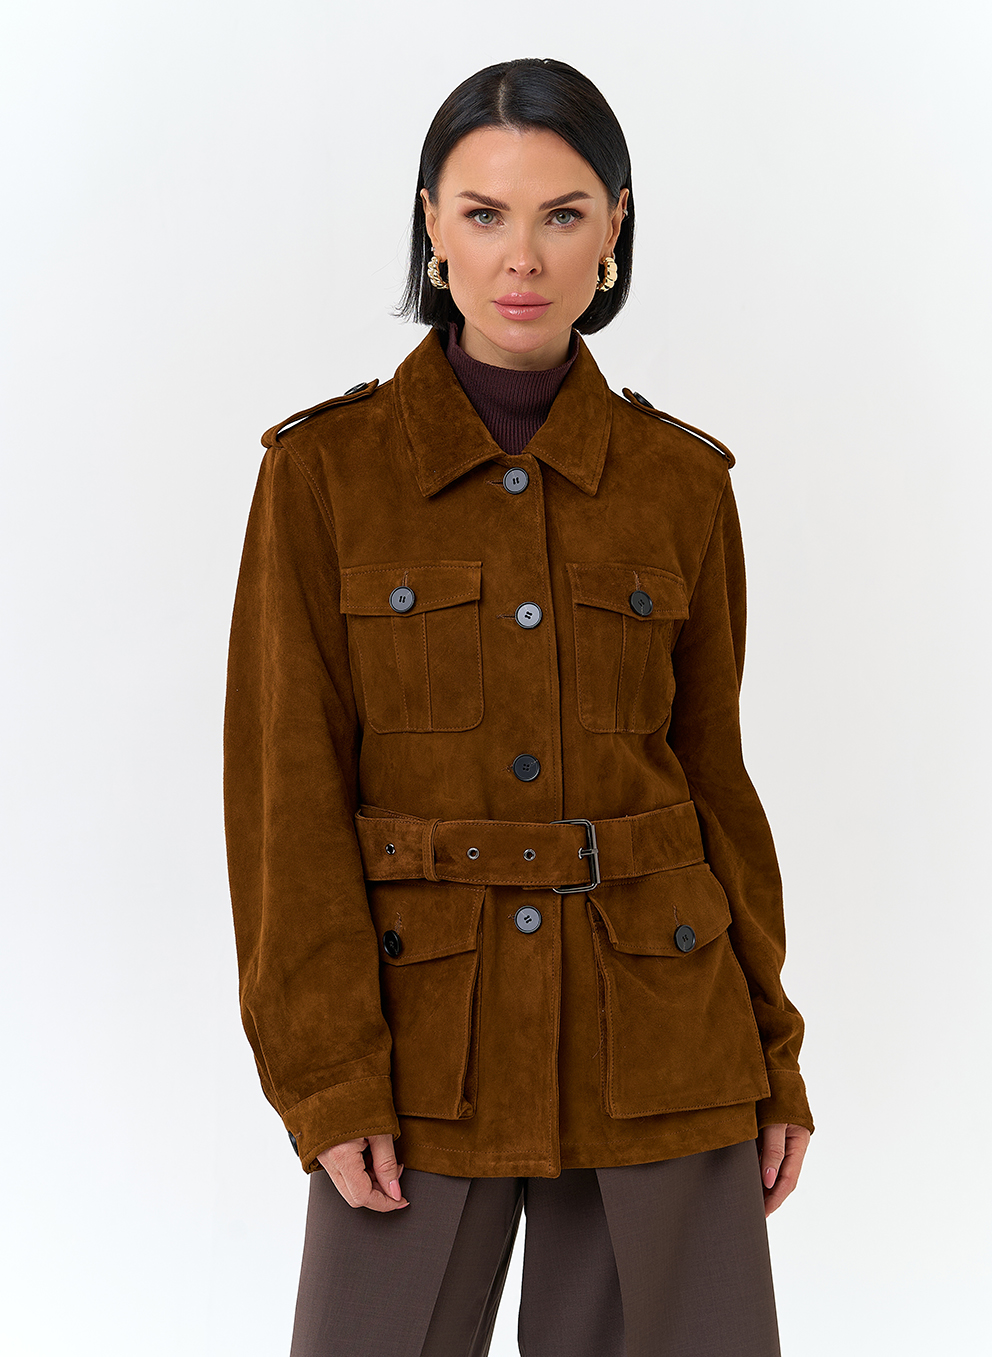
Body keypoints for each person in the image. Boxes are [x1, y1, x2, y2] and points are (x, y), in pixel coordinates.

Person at [224, 56, 813, 1357]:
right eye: (485, 213)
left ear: (615, 228)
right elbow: (285, 806)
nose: (523, 257)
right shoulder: (323, 476)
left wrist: (773, 1053)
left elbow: (716, 784)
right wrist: (327, 1076)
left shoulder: (681, 483)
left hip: (664, 1038)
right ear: (431, 226)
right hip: (418, 1040)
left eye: (563, 213)